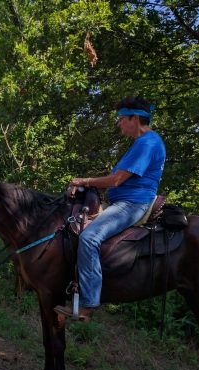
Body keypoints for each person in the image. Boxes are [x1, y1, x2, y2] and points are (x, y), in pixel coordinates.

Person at [55, 96, 166, 322]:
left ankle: (88, 305)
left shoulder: (148, 143)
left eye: (122, 119)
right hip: (124, 202)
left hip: (133, 204)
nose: (119, 124)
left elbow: (117, 180)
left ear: (135, 119)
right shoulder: (143, 142)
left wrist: (84, 181)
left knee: (89, 237)